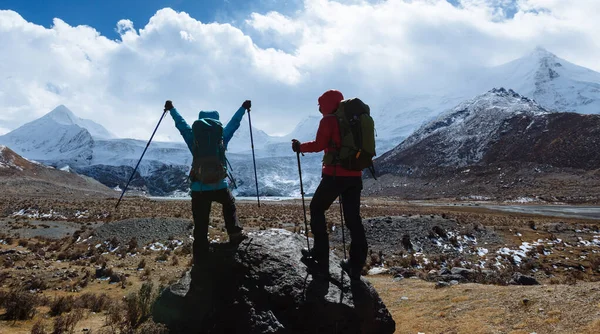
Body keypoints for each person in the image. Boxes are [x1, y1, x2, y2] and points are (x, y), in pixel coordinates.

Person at [164, 99, 250, 273]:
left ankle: (200, 258)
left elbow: (181, 125)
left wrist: (171, 109)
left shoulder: (194, 137)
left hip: (199, 188)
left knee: (201, 223)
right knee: (229, 204)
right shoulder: (221, 136)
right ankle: (234, 234)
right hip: (219, 185)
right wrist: (242, 108)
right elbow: (234, 123)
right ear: (217, 122)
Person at [291, 89, 367, 280]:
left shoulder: (329, 120)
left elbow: (318, 145)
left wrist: (300, 147)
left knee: (316, 208)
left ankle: (320, 253)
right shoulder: (354, 120)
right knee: (353, 220)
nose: (319, 108)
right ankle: (356, 265)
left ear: (326, 104)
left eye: (320, 104)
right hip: (355, 176)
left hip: (334, 175)